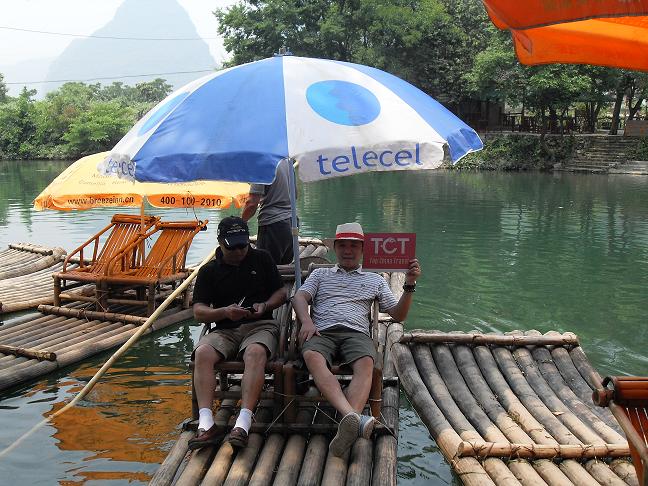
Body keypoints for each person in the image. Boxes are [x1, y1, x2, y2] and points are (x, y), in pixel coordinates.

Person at [292, 222, 421, 457]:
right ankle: (353, 418)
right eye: (342, 245)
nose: (348, 250)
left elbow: (398, 315)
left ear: (362, 250)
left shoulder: (376, 280)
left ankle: (348, 422)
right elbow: (299, 297)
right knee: (311, 354)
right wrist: (307, 321)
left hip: (356, 332)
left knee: (366, 362)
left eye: (353, 246)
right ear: (335, 248)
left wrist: (410, 283)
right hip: (323, 330)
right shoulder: (320, 274)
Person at [189, 216, 287, 450]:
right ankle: (206, 422)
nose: (240, 251)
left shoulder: (262, 258)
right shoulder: (208, 271)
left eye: (243, 245)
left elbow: (281, 293)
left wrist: (266, 306)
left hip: (260, 324)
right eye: (233, 246)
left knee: (255, 353)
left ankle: (242, 423)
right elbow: (199, 311)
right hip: (224, 328)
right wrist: (224, 311)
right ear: (221, 242)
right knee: (202, 352)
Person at [241, 158, 294, 265]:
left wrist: (241, 223)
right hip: (291, 222)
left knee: (265, 267)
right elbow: (294, 195)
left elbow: (251, 204)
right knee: (283, 268)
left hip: (272, 224)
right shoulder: (286, 162)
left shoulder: (261, 164)